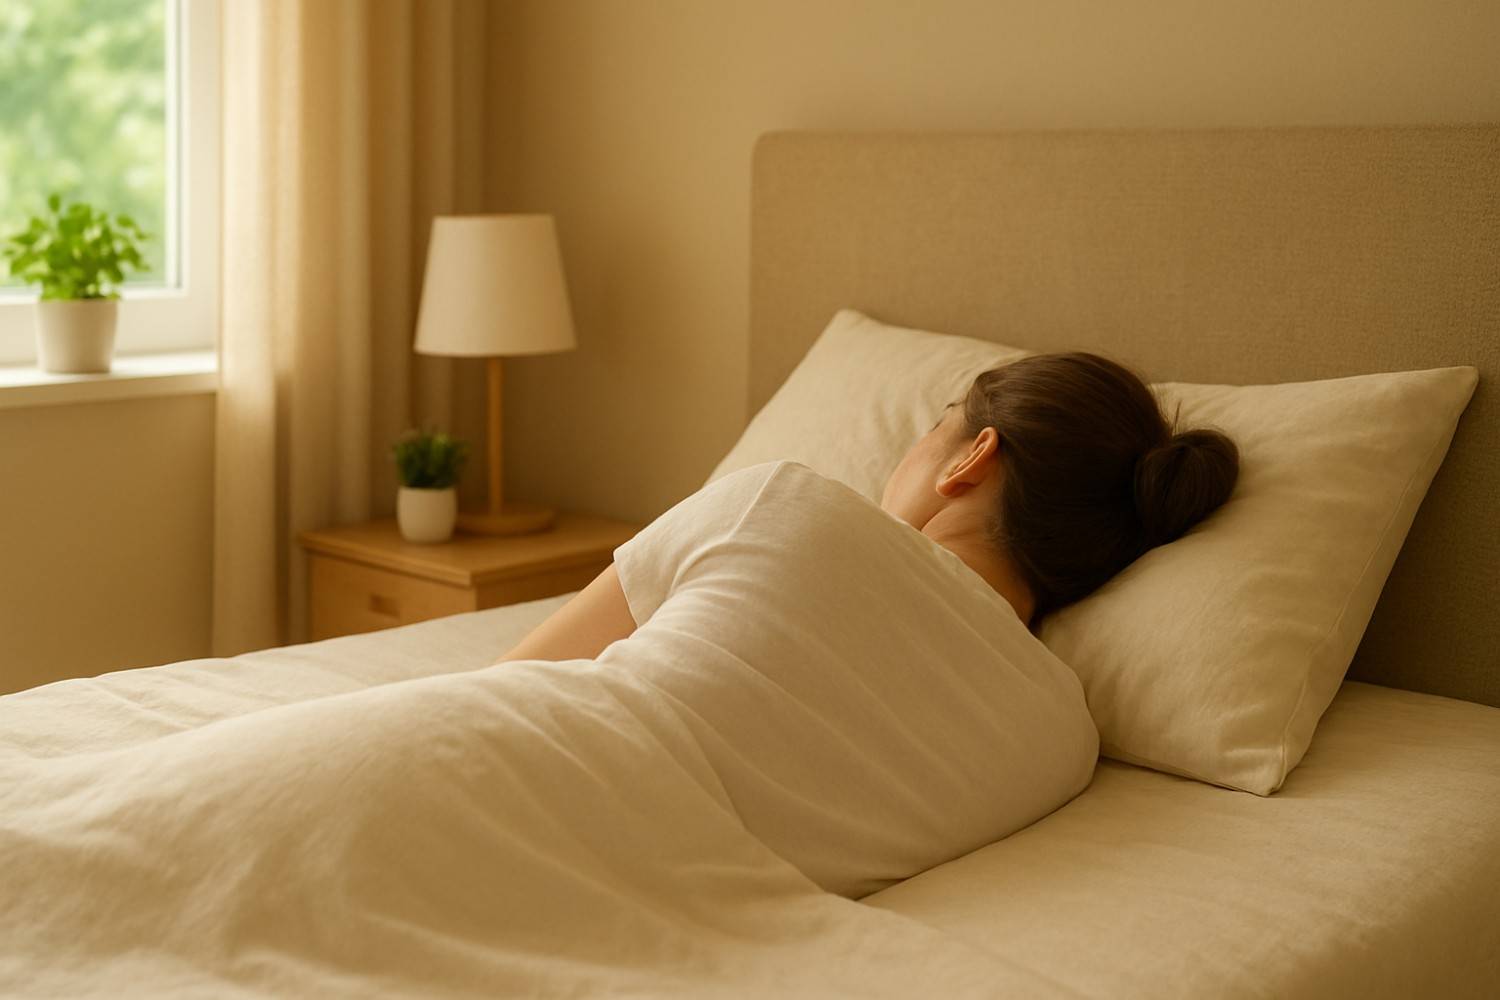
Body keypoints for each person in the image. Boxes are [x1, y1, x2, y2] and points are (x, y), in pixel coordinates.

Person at [494, 352, 1238, 664]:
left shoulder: (777, 507)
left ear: (973, 457)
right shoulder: (1056, 741)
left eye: (931, 426)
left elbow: (510, 684)